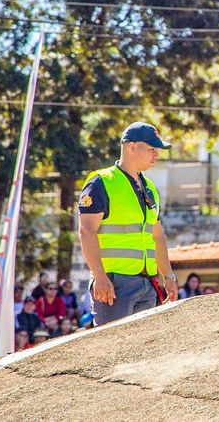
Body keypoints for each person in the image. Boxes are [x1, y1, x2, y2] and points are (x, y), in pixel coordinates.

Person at [77, 122, 179, 326]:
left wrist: (168, 276)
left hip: (147, 284)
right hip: (114, 284)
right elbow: (87, 231)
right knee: (112, 349)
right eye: (151, 149)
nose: (156, 155)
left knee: (141, 350)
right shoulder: (101, 182)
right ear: (131, 147)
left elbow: (157, 236)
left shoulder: (150, 188)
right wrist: (99, 276)